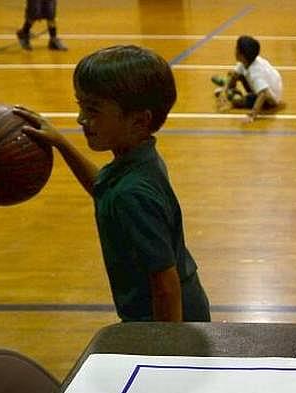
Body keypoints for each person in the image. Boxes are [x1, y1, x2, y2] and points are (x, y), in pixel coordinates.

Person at [14, 46, 210, 323]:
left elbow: (166, 285)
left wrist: (167, 354)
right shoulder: (138, 160)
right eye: (80, 106)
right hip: (172, 313)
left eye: (93, 109)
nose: (81, 119)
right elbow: (103, 187)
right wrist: (60, 142)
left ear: (140, 120)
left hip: (166, 321)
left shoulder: (132, 193)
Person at [211, 35, 283, 122]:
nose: (235, 51)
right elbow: (234, 73)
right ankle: (227, 86)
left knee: (237, 101)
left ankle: (232, 93)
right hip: (267, 86)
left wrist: (252, 115)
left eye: (236, 49)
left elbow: (264, 93)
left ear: (241, 55)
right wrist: (224, 91)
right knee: (232, 74)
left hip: (269, 100)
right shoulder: (247, 61)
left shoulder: (255, 73)